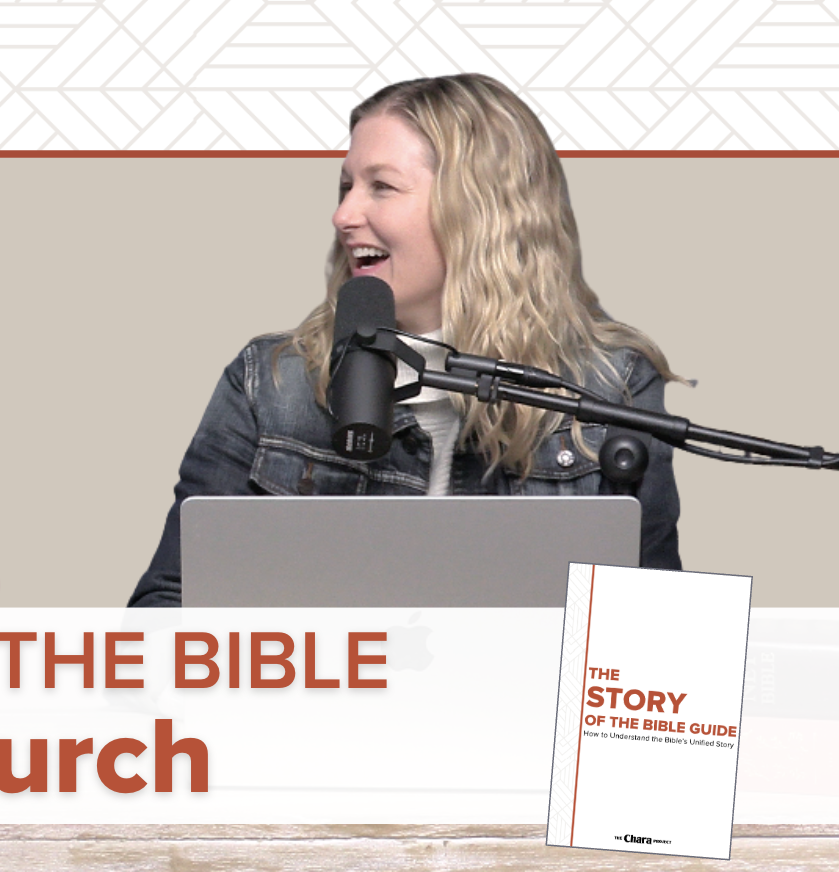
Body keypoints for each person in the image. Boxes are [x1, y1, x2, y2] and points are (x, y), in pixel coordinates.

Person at [129, 73, 682, 608]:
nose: (343, 215)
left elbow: (657, 625)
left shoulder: (612, 386)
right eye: (346, 187)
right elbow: (168, 603)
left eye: (381, 187)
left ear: (479, 210)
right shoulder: (270, 383)